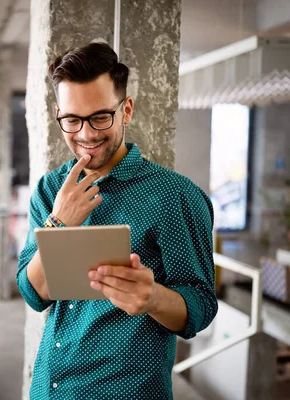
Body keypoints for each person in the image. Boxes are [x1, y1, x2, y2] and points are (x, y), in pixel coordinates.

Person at [16, 42, 218, 399]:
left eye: (100, 117)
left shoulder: (175, 196)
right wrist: (58, 223)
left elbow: (200, 306)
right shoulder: (51, 189)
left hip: (128, 391)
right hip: (51, 386)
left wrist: (152, 297)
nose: (86, 134)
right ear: (58, 114)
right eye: (72, 120)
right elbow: (35, 294)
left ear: (125, 110)